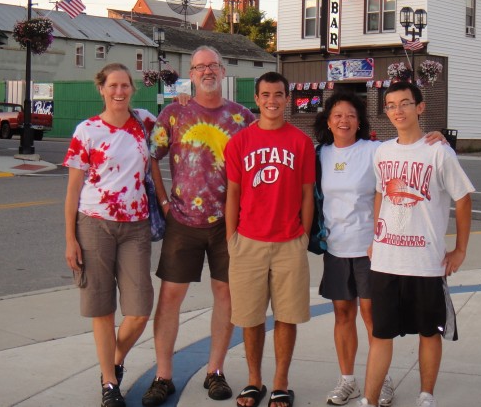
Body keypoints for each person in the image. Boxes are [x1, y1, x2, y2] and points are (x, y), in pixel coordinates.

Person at [314, 91, 446, 407]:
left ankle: (381, 381)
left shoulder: (374, 150)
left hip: (372, 249)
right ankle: (348, 380)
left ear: (360, 122)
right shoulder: (319, 154)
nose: (344, 120)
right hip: (335, 247)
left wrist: (434, 136)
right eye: (337, 115)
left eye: (350, 115)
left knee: (375, 317)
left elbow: (407, 145)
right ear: (328, 122)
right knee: (342, 314)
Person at [142, 46, 255, 407]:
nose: (207, 71)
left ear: (223, 72)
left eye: (212, 65)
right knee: (170, 298)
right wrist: (162, 202)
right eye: (199, 66)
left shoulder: (242, 117)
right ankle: (163, 376)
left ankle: (215, 371)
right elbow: (150, 157)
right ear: (190, 74)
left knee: (226, 295)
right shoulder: (174, 114)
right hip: (183, 222)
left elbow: (259, 164)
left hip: (228, 223)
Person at [360, 81, 474, 407]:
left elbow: (463, 198)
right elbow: (381, 192)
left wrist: (461, 249)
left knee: (429, 332)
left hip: (425, 261)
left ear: (419, 107)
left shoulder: (438, 151)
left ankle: (426, 396)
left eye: (405, 103)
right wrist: (376, 235)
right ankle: (369, 400)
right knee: (381, 334)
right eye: (392, 105)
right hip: (386, 260)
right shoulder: (382, 151)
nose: (398, 110)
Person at [63, 62, 156, 407]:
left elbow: (179, 137)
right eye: (112, 86)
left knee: (140, 309)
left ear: (133, 89)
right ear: (101, 89)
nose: (119, 92)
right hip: (94, 224)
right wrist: (70, 238)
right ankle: (109, 384)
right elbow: (72, 191)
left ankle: (113, 363)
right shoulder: (87, 131)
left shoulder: (145, 123)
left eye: (125, 86)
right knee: (102, 309)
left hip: (136, 226)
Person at [225, 71, 316, 407]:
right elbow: (233, 193)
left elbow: (308, 193)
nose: (272, 101)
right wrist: (231, 238)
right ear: (257, 98)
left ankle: (280, 382)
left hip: (290, 241)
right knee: (250, 318)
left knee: (287, 315)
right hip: (248, 241)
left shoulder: (300, 142)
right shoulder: (240, 142)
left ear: (287, 99)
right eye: (266, 95)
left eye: (278, 94)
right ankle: (254, 381)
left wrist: (303, 235)